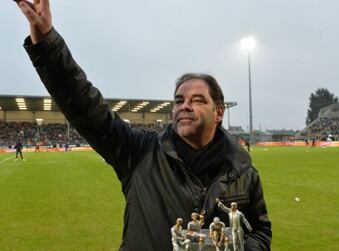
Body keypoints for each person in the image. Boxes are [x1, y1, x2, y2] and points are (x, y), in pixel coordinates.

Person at [15, 1, 271, 250]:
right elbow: (84, 105)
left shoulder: (243, 172)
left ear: (219, 112)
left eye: (197, 100)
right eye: (179, 100)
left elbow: (260, 231)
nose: (185, 106)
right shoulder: (141, 153)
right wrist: (47, 44)